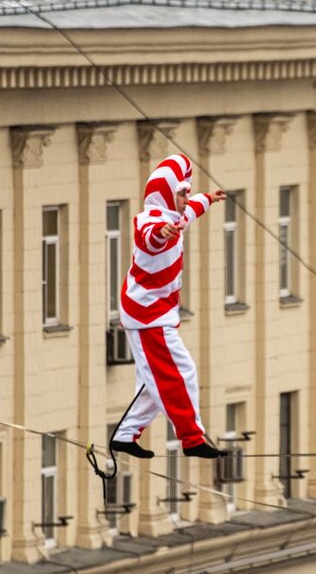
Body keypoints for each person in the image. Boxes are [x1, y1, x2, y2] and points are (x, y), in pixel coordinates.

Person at [109, 153, 228, 460]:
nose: (186, 198)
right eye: (181, 192)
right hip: (147, 314)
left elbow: (192, 210)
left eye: (187, 192)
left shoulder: (176, 215)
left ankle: (124, 435)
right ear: (165, 194)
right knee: (180, 370)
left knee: (153, 379)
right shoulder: (151, 221)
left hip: (157, 311)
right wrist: (162, 234)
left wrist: (208, 199)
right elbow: (149, 238)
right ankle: (191, 439)